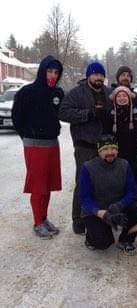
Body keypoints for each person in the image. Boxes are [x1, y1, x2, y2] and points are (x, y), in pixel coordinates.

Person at [11, 55, 64, 239]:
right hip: (34, 145)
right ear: (42, 71)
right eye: (49, 71)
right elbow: (17, 117)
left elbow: (63, 113)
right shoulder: (28, 92)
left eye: (56, 72)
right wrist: (27, 136)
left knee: (48, 184)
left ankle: (44, 217)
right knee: (38, 185)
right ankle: (37, 223)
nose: (53, 75)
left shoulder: (58, 93)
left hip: (52, 143)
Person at [59, 61, 111, 234]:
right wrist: (87, 114)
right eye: (95, 74)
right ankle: (78, 219)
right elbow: (63, 112)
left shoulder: (108, 93)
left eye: (101, 74)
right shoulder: (77, 93)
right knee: (83, 181)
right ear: (88, 76)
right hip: (84, 145)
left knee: (102, 182)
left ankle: (99, 215)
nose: (98, 77)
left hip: (105, 146)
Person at [79, 135, 137, 254]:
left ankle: (125, 240)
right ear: (99, 151)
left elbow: (132, 191)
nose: (110, 152)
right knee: (103, 243)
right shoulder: (87, 167)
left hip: (116, 206)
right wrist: (100, 213)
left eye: (113, 148)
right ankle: (90, 237)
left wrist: (120, 205)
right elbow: (84, 199)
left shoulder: (124, 165)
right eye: (105, 149)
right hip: (97, 210)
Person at [105, 86, 137, 192]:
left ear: (129, 98)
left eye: (124, 95)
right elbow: (105, 137)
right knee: (118, 192)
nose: (122, 98)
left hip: (135, 160)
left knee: (134, 190)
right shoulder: (109, 116)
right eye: (119, 96)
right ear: (115, 99)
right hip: (116, 160)